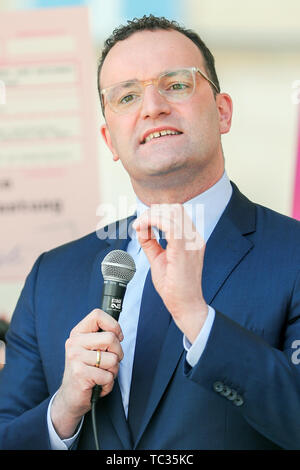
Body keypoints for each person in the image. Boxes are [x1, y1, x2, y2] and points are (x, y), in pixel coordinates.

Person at [0, 15, 300, 450]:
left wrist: (200, 321)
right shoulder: (52, 276)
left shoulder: (293, 254)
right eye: (126, 96)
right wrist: (62, 411)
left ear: (223, 112)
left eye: (176, 84)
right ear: (110, 140)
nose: (152, 105)